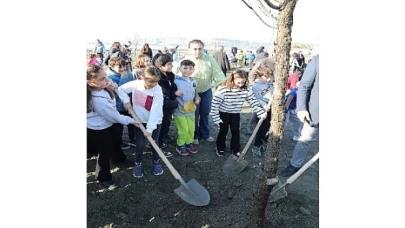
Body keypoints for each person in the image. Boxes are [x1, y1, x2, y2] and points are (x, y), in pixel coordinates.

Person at [87, 64, 136, 189]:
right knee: (104, 151)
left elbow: (112, 88)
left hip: (109, 123)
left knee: (116, 141)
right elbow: (115, 117)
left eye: (106, 77)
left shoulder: (104, 87)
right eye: (101, 79)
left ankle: (118, 158)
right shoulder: (98, 100)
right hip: (98, 129)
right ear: (90, 82)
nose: (107, 80)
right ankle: (103, 177)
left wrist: (115, 87)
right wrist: (132, 121)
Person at [173, 39, 226, 144]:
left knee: (205, 113)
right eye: (195, 49)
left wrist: (224, 83)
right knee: (194, 113)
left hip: (206, 90)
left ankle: (205, 134)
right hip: (191, 93)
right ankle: (195, 135)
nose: (197, 51)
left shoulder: (209, 59)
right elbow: (175, 74)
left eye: (200, 49)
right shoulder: (185, 60)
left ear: (203, 48)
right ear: (189, 50)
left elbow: (217, 72)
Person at [117, 66, 165, 178]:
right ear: (142, 77)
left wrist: (150, 129)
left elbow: (155, 110)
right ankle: (138, 163)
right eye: (151, 81)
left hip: (155, 121)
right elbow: (121, 90)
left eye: (156, 81)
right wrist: (126, 101)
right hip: (139, 119)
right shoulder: (136, 84)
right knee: (140, 143)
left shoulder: (157, 90)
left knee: (154, 142)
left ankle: (156, 161)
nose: (154, 84)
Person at [210, 69, 267, 157]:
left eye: (243, 82)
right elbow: (215, 104)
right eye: (238, 82)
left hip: (235, 113)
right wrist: (216, 119)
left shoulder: (246, 90)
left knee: (235, 131)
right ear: (232, 79)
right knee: (223, 131)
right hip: (224, 113)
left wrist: (260, 113)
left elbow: (253, 102)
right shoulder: (223, 89)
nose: (241, 85)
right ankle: (220, 147)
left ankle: (235, 149)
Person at [281, 55, 319, 177]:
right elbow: (304, 86)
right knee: (305, 140)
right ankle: (295, 165)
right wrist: (302, 108)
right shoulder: (319, 61)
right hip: (317, 112)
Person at [106, 57, 136, 149]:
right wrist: (123, 78)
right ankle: (120, 142)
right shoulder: (110, 78)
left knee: (133, 124)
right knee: (118, 126)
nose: (122, 69)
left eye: (124, 66)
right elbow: (118, 91)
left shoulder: (130, 75)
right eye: (119, 67)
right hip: (118, 106)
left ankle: (133, 139)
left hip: (129, 104)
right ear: (112, 66)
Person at [154, 54, 179, 157]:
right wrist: (175, 101)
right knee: (161, 127)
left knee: (166, 125)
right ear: (160, 66)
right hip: (161, 109)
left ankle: (161, 142)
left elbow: (172, 88)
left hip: (168, 108)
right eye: (169, 64)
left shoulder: (169, 76)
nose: (171, 66)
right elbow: (162, 98)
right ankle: (158, 148)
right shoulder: (158, 79)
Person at [173, 60, 200, 156]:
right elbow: (171, 94)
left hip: (191, 110)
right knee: (183, 129)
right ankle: (181, 145)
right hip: (179, 110)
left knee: (191, 129)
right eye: (185, 68)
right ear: (180, 69)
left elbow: (195, 92)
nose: (187, 70)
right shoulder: (176, 81)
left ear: (193, 70)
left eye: (190, 68)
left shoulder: (194, 81)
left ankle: (189, 143)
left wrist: (197, 98)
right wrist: (175, 93)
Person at [251, 68, 274, 158]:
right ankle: (256, 146)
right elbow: (256, 98)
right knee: (261, 128)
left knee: (269, 126)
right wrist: (264, 105)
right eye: (266, 77)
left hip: (272, 106)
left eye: (270, 77)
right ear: (259, 76)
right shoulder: (255, 86)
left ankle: (265, 140)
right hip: (262, 108)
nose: (268, 79)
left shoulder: (271, 82)